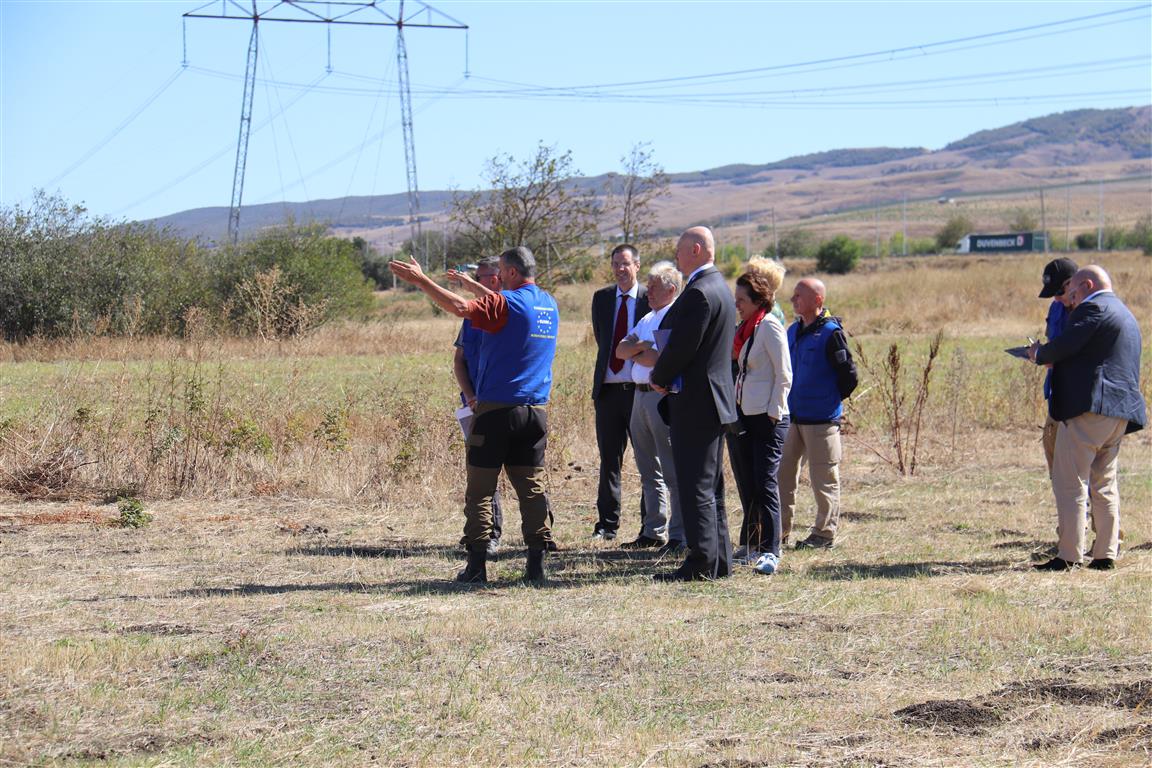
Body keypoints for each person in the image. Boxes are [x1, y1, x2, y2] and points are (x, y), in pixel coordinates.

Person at [389, 247, 559, 584]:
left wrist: (422, 281)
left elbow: (461, 308)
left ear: (508, 273)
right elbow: (500, 303)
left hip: (497, 411)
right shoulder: (547, 305)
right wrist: (472, 284)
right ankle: (536, 566)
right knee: (531, 489)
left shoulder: (506, 304)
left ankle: (477, 566)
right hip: (535, 412)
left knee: (481, 490)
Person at [1029, 265, 1145, 571]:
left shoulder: (1092, 309)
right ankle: (1106, 553)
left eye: (1074, 293)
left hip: (1090, 410)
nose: (1071, 301)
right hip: (1119, 414)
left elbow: (1065, 346)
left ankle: (1068, 555)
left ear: (1088, 285)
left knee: (1070, 483)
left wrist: (1039, 354)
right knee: (1104, 483)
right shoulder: (1125, 313)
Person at [649, 226, 737, 581]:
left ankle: (700, 562)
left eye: (680, 251)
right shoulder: (721, 288)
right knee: (711, 485)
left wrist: (659, 376)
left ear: (697, 250)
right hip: (713, 401)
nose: (677, 257)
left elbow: (685, 345)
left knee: (695, 485)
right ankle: (719, 560)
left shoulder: (700, 292)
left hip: (697, 400)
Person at [779, 278, 858, 550]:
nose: (793, 300)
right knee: (783, 477)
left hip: (822, 421)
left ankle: (823, 535)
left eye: (799, 296)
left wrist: (827, 401)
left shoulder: (831, 333)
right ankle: (778, 532)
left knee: (824, 480)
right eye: (794, 295)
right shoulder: (792, 331)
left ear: (818, 301)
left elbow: (849, 377)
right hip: (791, 418)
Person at [727, 258, 791, 575]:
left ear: (756, 301)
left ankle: (772, 550)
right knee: (752, 484)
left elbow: (784, 373)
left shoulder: (769, 326)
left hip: (768, 418)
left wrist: (773, 413)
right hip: (747, 414)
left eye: (741, 300)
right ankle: (753, 545)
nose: (736, 305)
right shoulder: (748, 330)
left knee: (766, 484)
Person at [614, 261, 684, 551]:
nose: (649, 292)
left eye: (654, 287)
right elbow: (621, 350)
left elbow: (657, 358)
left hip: (660, 395)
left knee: (670, 467)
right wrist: (642, 348)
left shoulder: (674, 315)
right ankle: (654, 529)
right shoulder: (647, 318)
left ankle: (679, 532)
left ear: (671, 288)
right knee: (647, 467)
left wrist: (639, 349)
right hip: (639, 397)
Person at [590, 244, 650, 542]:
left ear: (637, 266)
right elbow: (603, 340)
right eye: (615, 264)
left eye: (625, 264)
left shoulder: (649, 299)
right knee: (609, 460)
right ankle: (607, 525)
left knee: (647, 460)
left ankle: (649, 525)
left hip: (639, 391)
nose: (620, 269)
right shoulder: (601, 299)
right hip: (608, 391)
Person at [447, 257, 504, 556]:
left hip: (505, 404)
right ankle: (484, 533)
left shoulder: (510, 313)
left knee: (522, 473)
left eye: (479, 277)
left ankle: (538, 539)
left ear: (495, 279)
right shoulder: (470, 317)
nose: (475, 283)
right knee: (480, 472)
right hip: (474, 406)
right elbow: (459, 361)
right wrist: (469, 395)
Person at [1037, 257, 1078, 475]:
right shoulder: (1056, 308)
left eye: (1059, 292)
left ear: (1072, 283)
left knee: (1079, 458)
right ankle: (1067, 505)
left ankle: (1084, 505)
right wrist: (1040, 352)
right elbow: (1053, 341)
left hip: (1081, 396)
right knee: (1051, 442)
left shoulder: (1091, 310)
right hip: (1057, 390)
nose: (1056, 298)